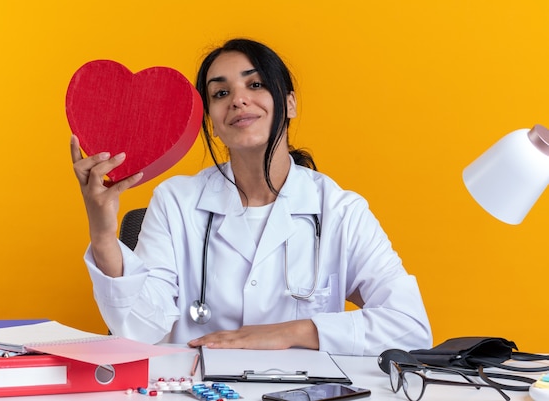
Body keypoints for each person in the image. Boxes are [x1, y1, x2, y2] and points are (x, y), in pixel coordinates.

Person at [70, 38, 432, 356]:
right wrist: (102, 234)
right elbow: (140, 330)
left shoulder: (340, 210)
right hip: (197, 387)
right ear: (210, 119)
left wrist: (290, 333)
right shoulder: (177, 201)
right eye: (221, 93)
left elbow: (410, 327)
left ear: (289, 104)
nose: (239, 100)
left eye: (255, 84)